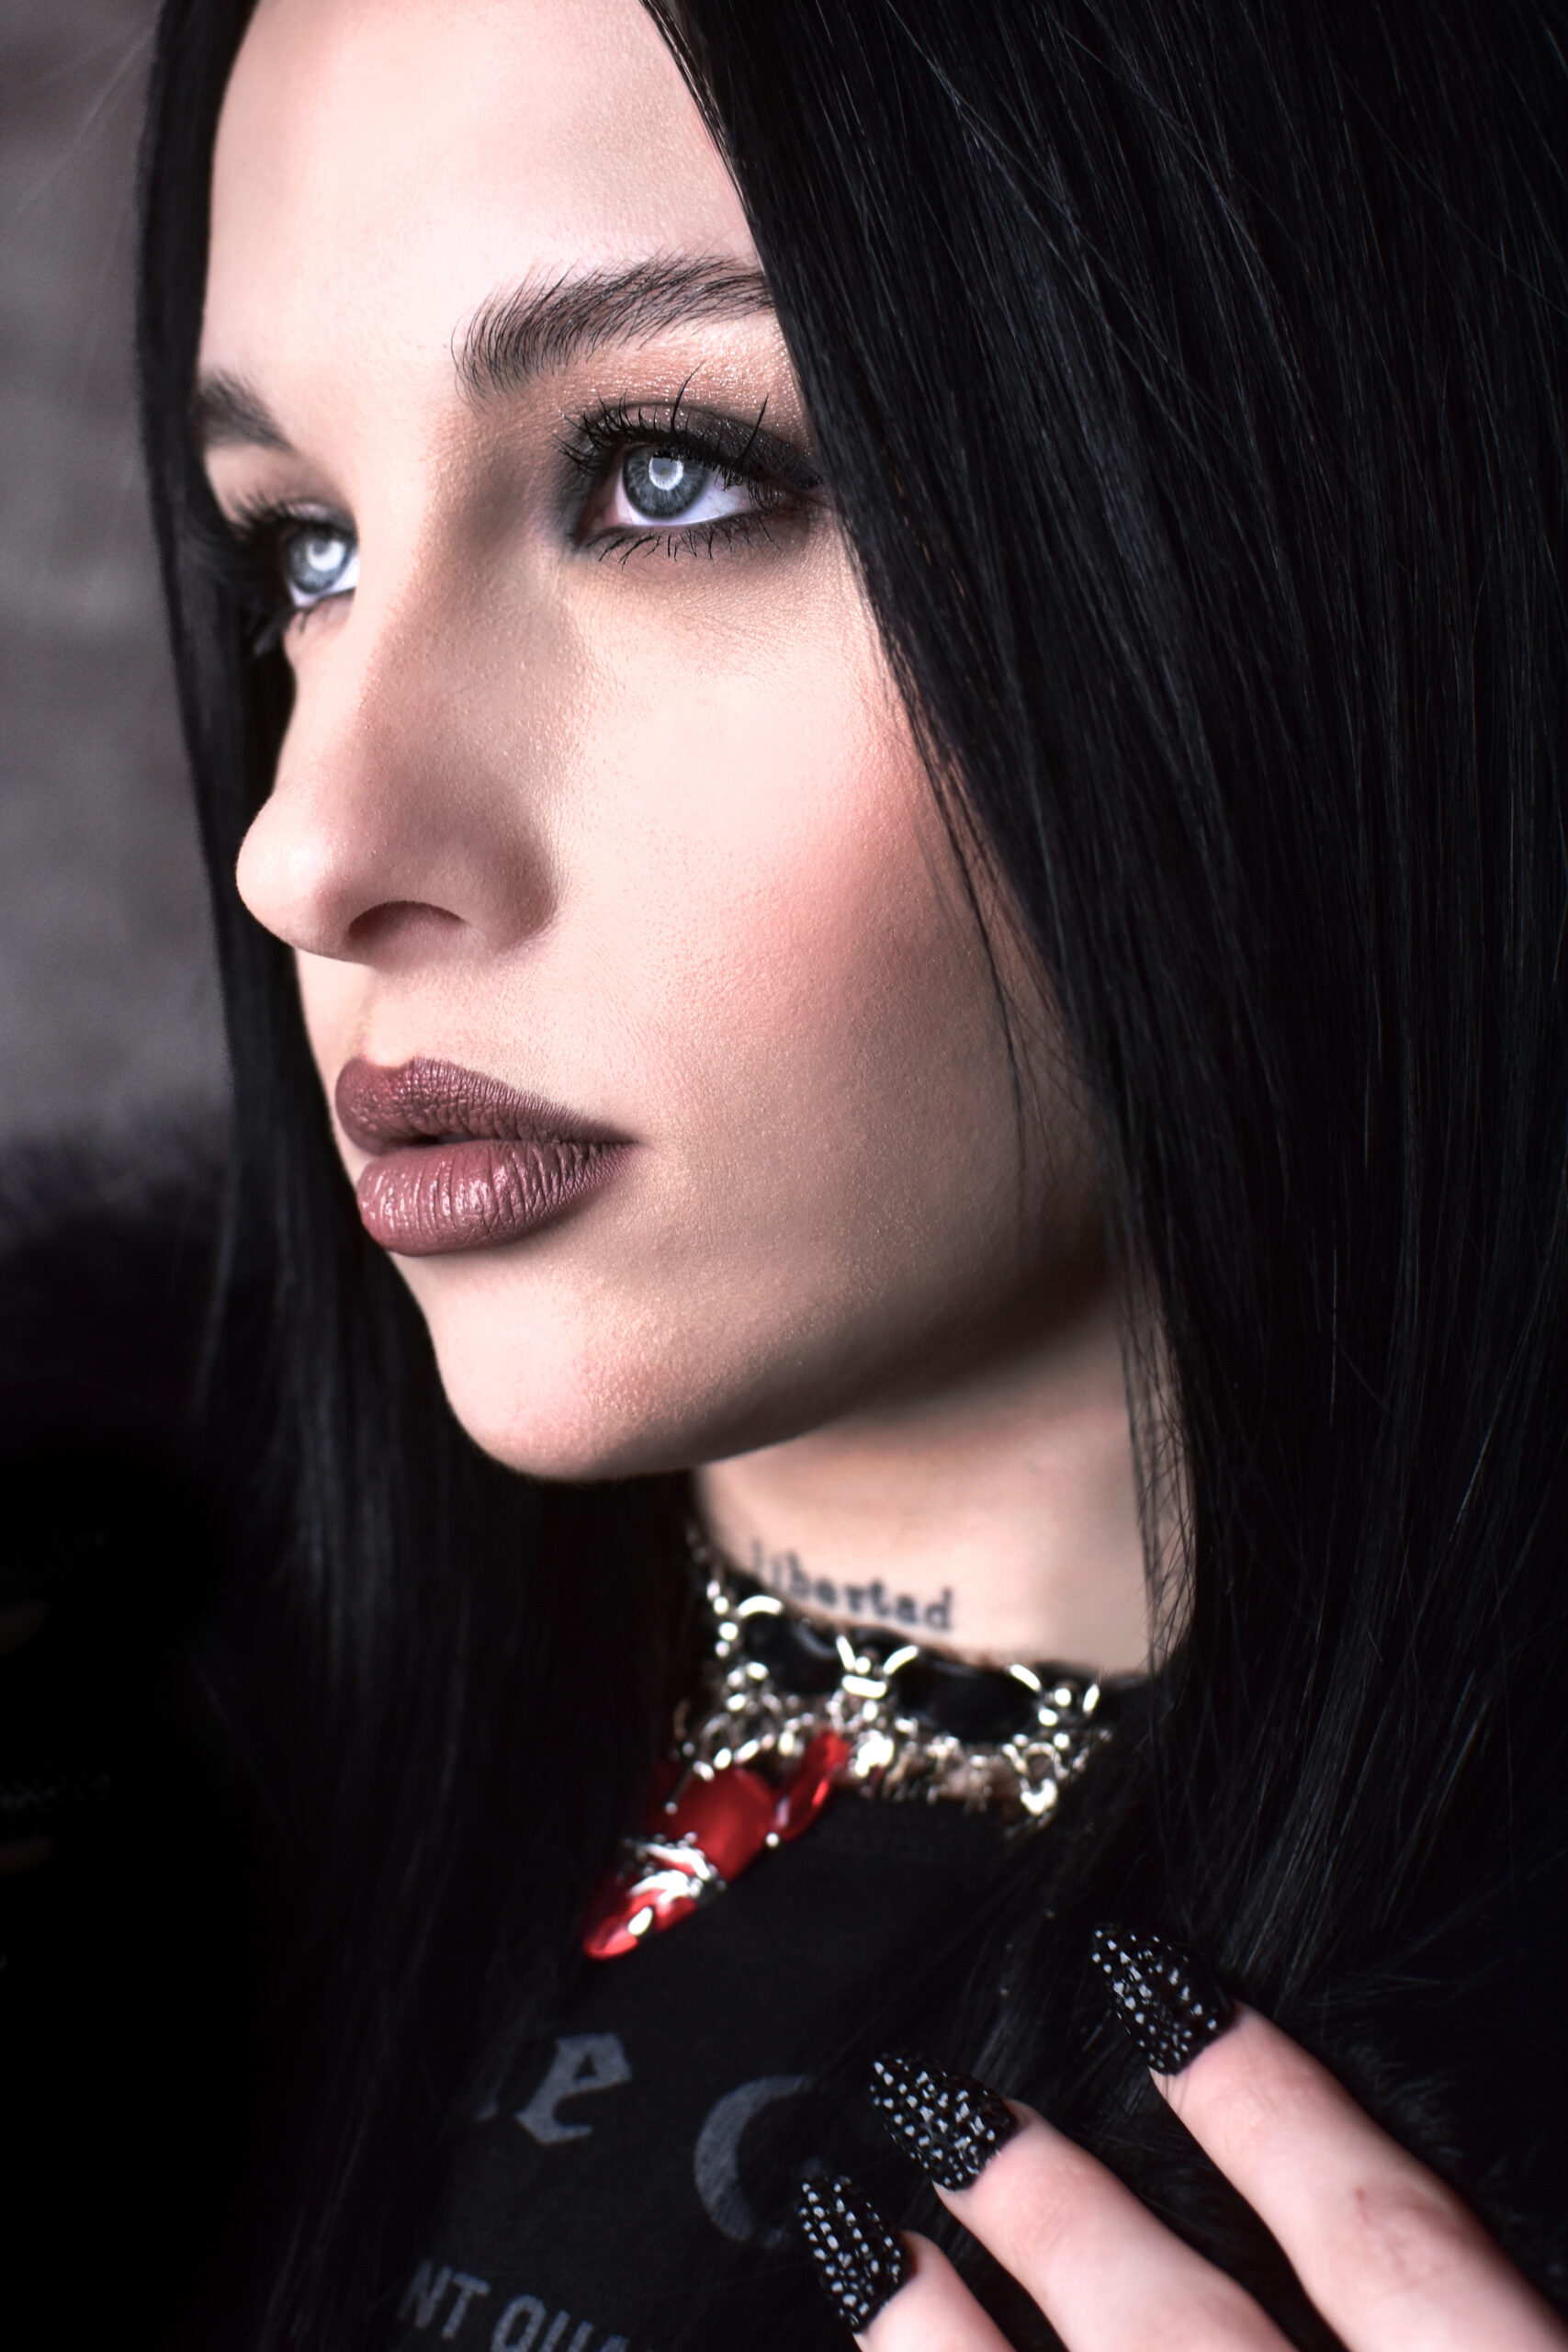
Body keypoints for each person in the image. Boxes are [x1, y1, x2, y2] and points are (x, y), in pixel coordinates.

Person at [6, 0, 1562, 2343]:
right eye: (301, 549)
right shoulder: (105, 1736)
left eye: (665, 477)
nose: (310, 843)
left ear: (1316, 509)